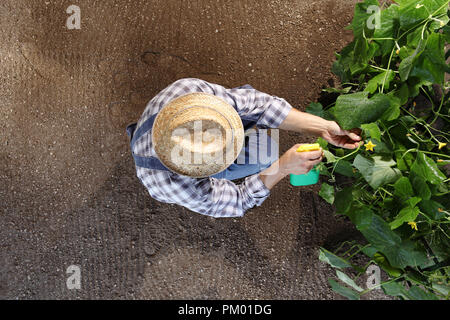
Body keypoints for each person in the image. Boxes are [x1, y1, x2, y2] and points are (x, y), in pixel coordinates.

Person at [126, 78, 362, 218]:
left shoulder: (187, 92)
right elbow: (238, 200)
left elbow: (262, 105)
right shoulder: (176, 185)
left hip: (150, 135)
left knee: (247, 99)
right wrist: (281, 167)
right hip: (159, 171)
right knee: (265, 155)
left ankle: (241, 127)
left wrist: (322, 128)